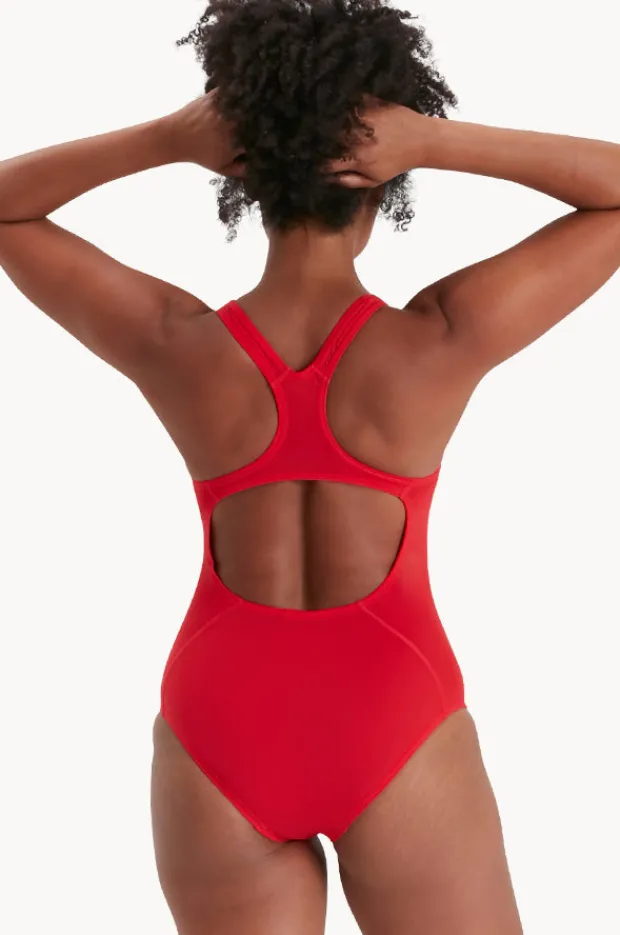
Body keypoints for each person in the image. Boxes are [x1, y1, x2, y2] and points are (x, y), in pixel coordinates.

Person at [2, 1, 620, 933]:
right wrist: (432, 141)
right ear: (383, 184)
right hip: (391, 708)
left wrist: (168, 138)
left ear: (246, 181)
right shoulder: (441, 338)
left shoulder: (176, 343)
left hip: (221, 718)